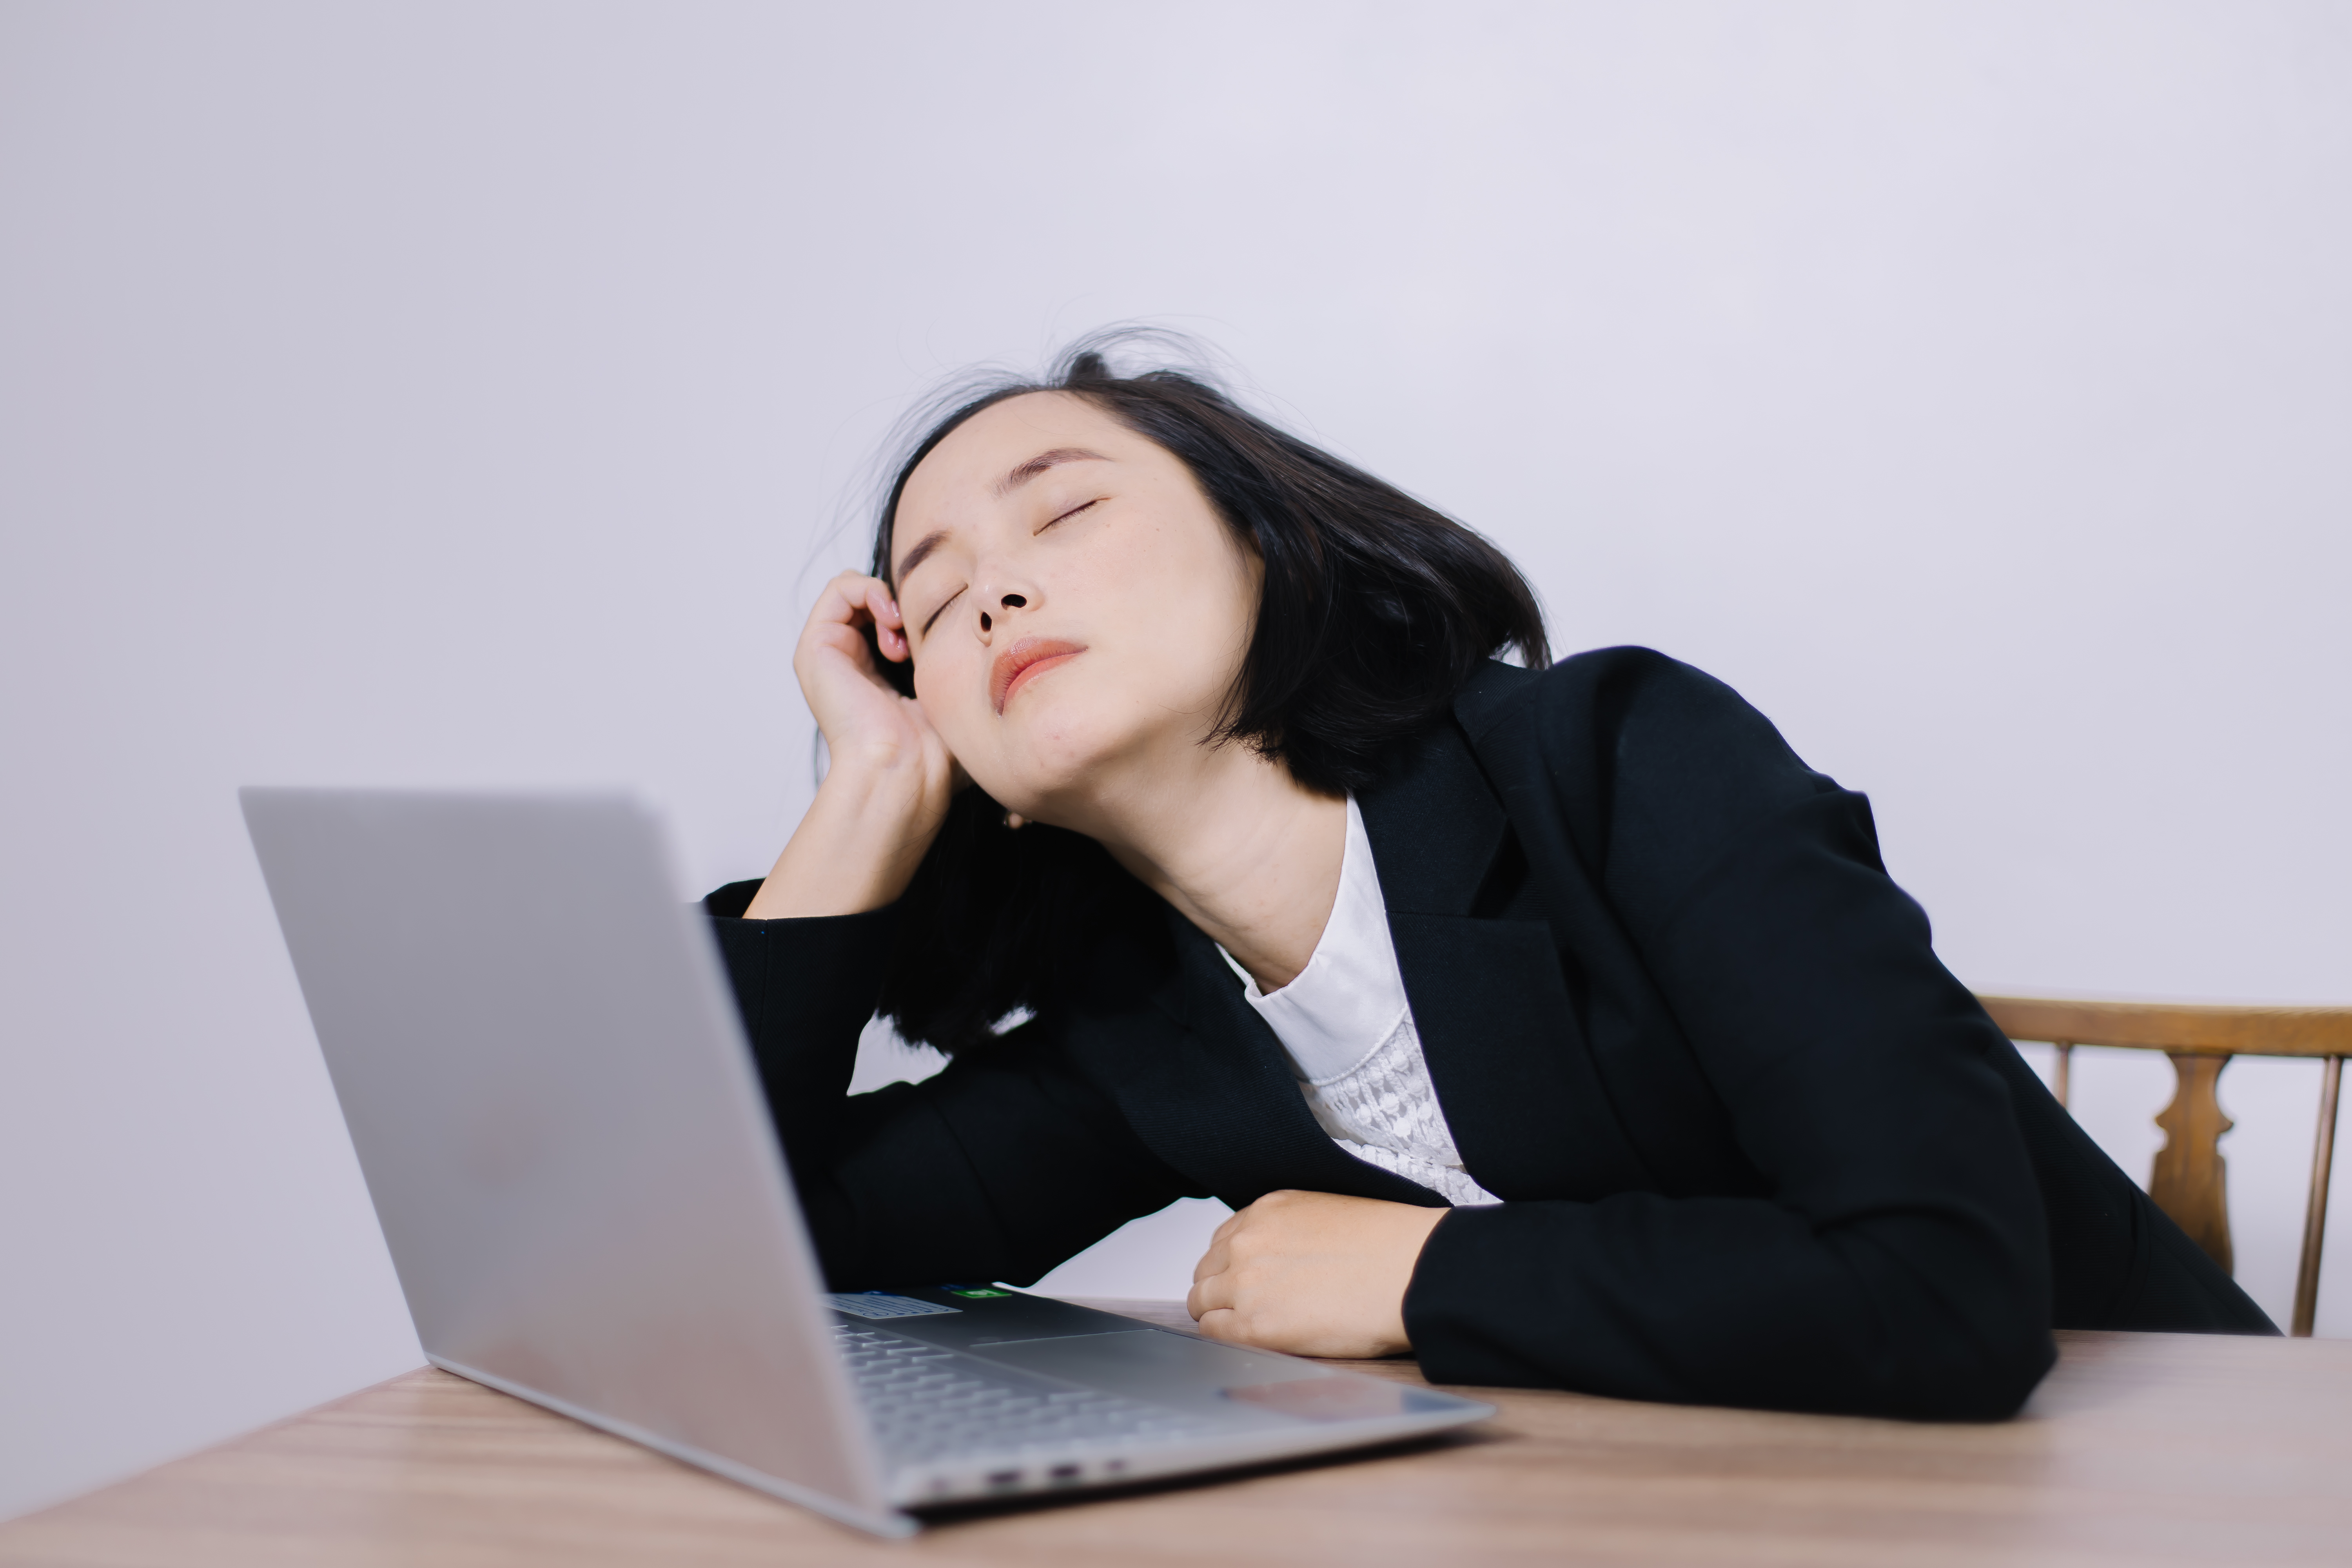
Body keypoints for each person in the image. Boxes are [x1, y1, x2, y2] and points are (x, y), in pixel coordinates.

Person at [704, 334, 2272, 1423]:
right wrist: (871, 791)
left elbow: (1947, 1286)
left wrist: (1424, 1271)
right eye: (942, 592)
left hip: (2163, 1488)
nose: (1002, 590)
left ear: (1268, 546)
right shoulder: (1153, 1033)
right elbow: (745, 1263)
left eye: (1064, 508)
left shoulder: (1622, 756)